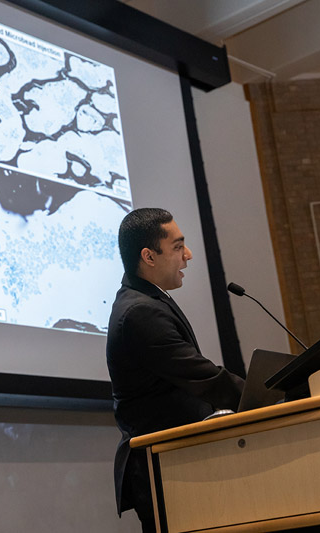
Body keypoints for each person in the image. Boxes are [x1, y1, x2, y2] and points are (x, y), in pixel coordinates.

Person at [106, 207, 245, 532]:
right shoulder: (140, 312)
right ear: (148, 256)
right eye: (178, 246)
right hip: (166, 469)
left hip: (177, 465)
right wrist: (274, 397)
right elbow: (204, 378)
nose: (189, 255)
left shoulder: (147, 300)